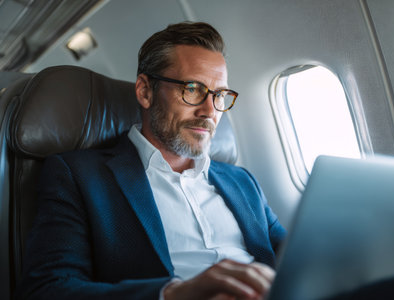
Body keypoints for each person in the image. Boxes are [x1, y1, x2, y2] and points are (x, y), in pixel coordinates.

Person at [17, 22, 286, 300]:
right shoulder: (80, 176)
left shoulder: (242, 180)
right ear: (145, 91)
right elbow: (46, 289)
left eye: (219, 95)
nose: (210, 111)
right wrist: (173, 294)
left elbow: (292, 254)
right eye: (193, 89)